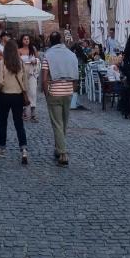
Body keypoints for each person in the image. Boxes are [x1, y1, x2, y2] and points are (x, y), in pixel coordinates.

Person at [42, 31, 79, 167]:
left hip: (55, 92)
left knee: (57, 123)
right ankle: (59, 149)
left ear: (50, 42)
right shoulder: (71, 54)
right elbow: (76, 75)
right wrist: (72, 90)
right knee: (64, 122)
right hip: (68, 91)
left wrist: (47, 94)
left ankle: (63, 153)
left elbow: (45, 78)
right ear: (61, 40)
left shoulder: (48, 55)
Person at [0, 39, 29, 164]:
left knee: (3, 122)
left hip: (5, 95)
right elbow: (24, 82)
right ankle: (24, 149)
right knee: (19, 123)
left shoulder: (2, 63)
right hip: (18, 96)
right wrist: (25, 93)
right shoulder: (20, 63)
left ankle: (2, 148)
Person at [19, 33, 40, 121]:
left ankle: (33, 112)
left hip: (32, 72)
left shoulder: (33, 49)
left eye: (27, 39)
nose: (26, 40)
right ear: (22, 40)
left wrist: (35, 61)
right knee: (24, 92)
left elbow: (38, 59)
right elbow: (17, 62)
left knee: (33, 92)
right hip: (23, 73)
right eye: (24, 39)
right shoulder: (19, 50)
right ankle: (24, 111)